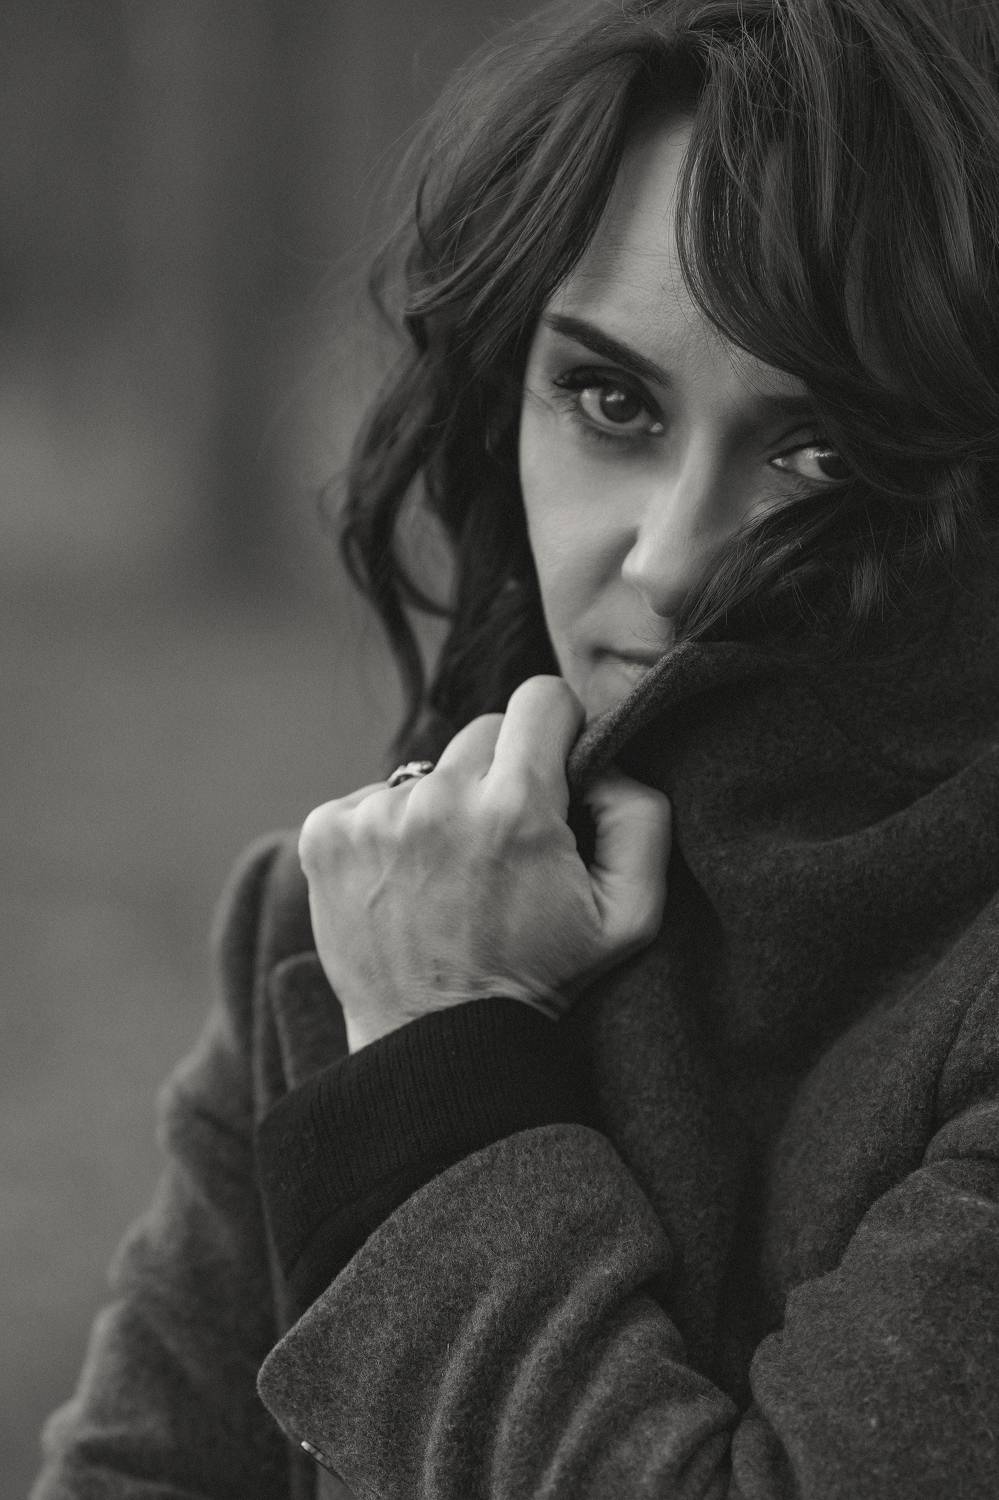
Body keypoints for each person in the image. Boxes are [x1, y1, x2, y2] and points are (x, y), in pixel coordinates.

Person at [32, 0, 999, 1496]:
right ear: (507, 405)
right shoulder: (351, 916)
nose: (670, 561)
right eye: (612, 402)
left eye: (816, 452)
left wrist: (441, 1076)